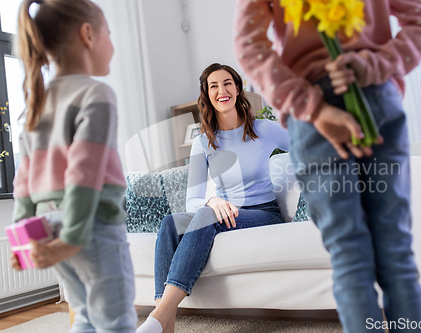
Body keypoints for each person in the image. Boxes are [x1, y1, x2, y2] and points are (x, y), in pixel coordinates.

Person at [234, 1, 421, 332]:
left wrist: (311, 108)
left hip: (313, 108)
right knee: (396, 249)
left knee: (349, 256)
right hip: (377, 99)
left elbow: (250, 46)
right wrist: (373, 64)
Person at [10, 1, 137, 332]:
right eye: (108, 32)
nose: (111, 42)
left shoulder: (37, 103)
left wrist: (23, 238)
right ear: (87, 34)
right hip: (89, 225)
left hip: (49, 225)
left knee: (84, 315)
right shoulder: (96, 94)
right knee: (116, 322)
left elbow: (23, 180)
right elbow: (84, 174)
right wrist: (73, 237)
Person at [137, 63, 289, 333]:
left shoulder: (265, 129)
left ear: (238, 88)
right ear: (207, 95)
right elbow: (193, 201)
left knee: (207, 215)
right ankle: (164, 324)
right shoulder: (203, 142)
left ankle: (157, 319)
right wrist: (212, 201)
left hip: (263, 212)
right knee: (171, 222)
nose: (222, 90)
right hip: (223, 213)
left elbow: (308, 147)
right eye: (214, 86)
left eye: (227, 83)